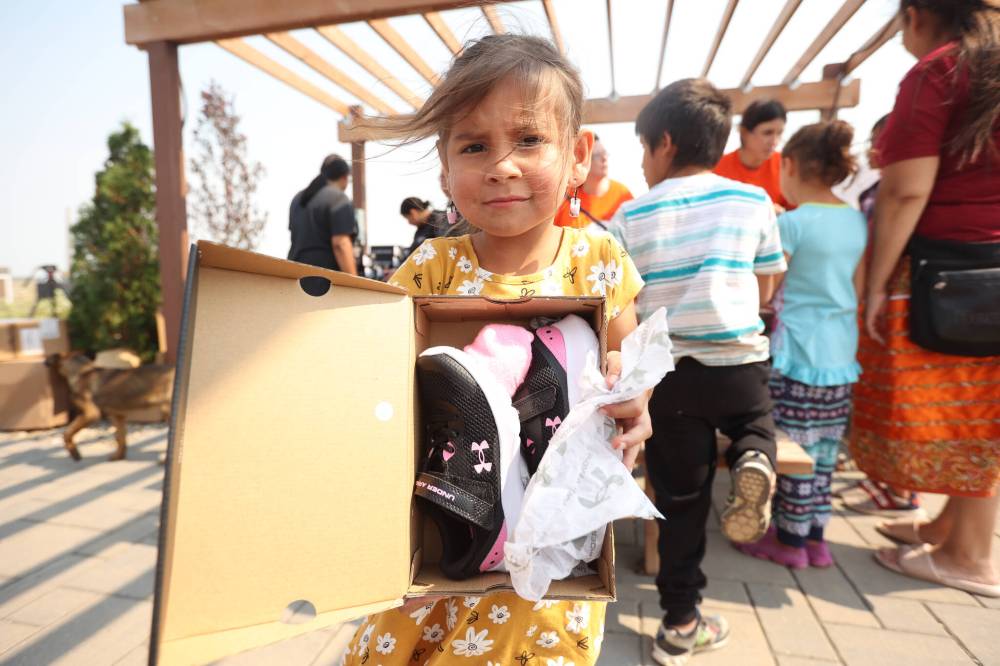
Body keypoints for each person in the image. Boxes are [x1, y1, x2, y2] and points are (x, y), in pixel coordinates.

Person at [341, 34, 650, 665]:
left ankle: (539, 431)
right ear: (445, 170)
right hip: (441, 565)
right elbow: (383, 386)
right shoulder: (430, 267)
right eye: (474, 145)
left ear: (578, 156)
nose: (501, 165)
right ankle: (482, 457)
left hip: (546, 575)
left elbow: (630, 365)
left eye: (529, 139)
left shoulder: (599, 261)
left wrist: (634, 404)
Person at [610, 78, 786, 665]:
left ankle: (680, 625)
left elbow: (621, 305)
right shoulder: (752, 201)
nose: (641, 163)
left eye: (641, 150)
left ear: (663, 142)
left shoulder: (631, 216)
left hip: (670, 377)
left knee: (680, 500)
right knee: (758, 421)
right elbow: (767, 282)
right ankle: (754, 456)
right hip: (737, 361)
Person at [854, 0, 1000, 597]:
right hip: (987, 266)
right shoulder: (983, 66)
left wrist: (876, 280)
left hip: (952, 271)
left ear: (915, 15)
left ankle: (971, 555)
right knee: (976, 413)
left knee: (968, 418)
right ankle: (949, 527)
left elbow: (905, 191)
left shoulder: (940, 70)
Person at [735, 121, 867, 570]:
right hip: (842, 355)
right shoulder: (855, 220)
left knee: (793, 447)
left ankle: (788, 541)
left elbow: (768, 291)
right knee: (826, 451)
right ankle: (816, 540)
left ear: (789, 165)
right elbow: (858, 286)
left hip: (797, 355)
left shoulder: (791, 223)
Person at [836, 115, 926, 519]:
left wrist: (875, 289)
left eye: (882, 139)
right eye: (873, 140)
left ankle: (904, 490)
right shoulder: (877, 189)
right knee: (882, 394)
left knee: (905, 399)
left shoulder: (904, 190)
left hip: (899, 299)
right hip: (882, 297)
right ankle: (887, 480)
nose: (875, 149)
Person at [713, 98, 792, 212]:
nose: (775, 141)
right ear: (744, 132)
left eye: (779, 133)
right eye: (767, 133)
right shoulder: (718, 168)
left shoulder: (785, 165)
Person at [287, 154, 358, 274]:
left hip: (295, 276)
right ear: (345, 177)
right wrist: (357, 284)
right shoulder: (339, 199)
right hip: (324, 281)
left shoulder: (297, 199)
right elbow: (340, 244)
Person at [553, 135, 633, 228]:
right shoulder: (565, 198)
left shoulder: (623, 195)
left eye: (605, 153)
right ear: (582, 160)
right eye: (597, 155)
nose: (604, 159)